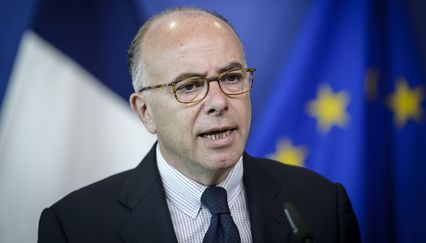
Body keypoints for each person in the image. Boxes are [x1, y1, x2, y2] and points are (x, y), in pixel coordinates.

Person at [38, 7, 361, 243]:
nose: (219, 102)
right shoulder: (74, 226)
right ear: (145, 111)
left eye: (232, 78)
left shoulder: (320, 204)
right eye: (189, 86)